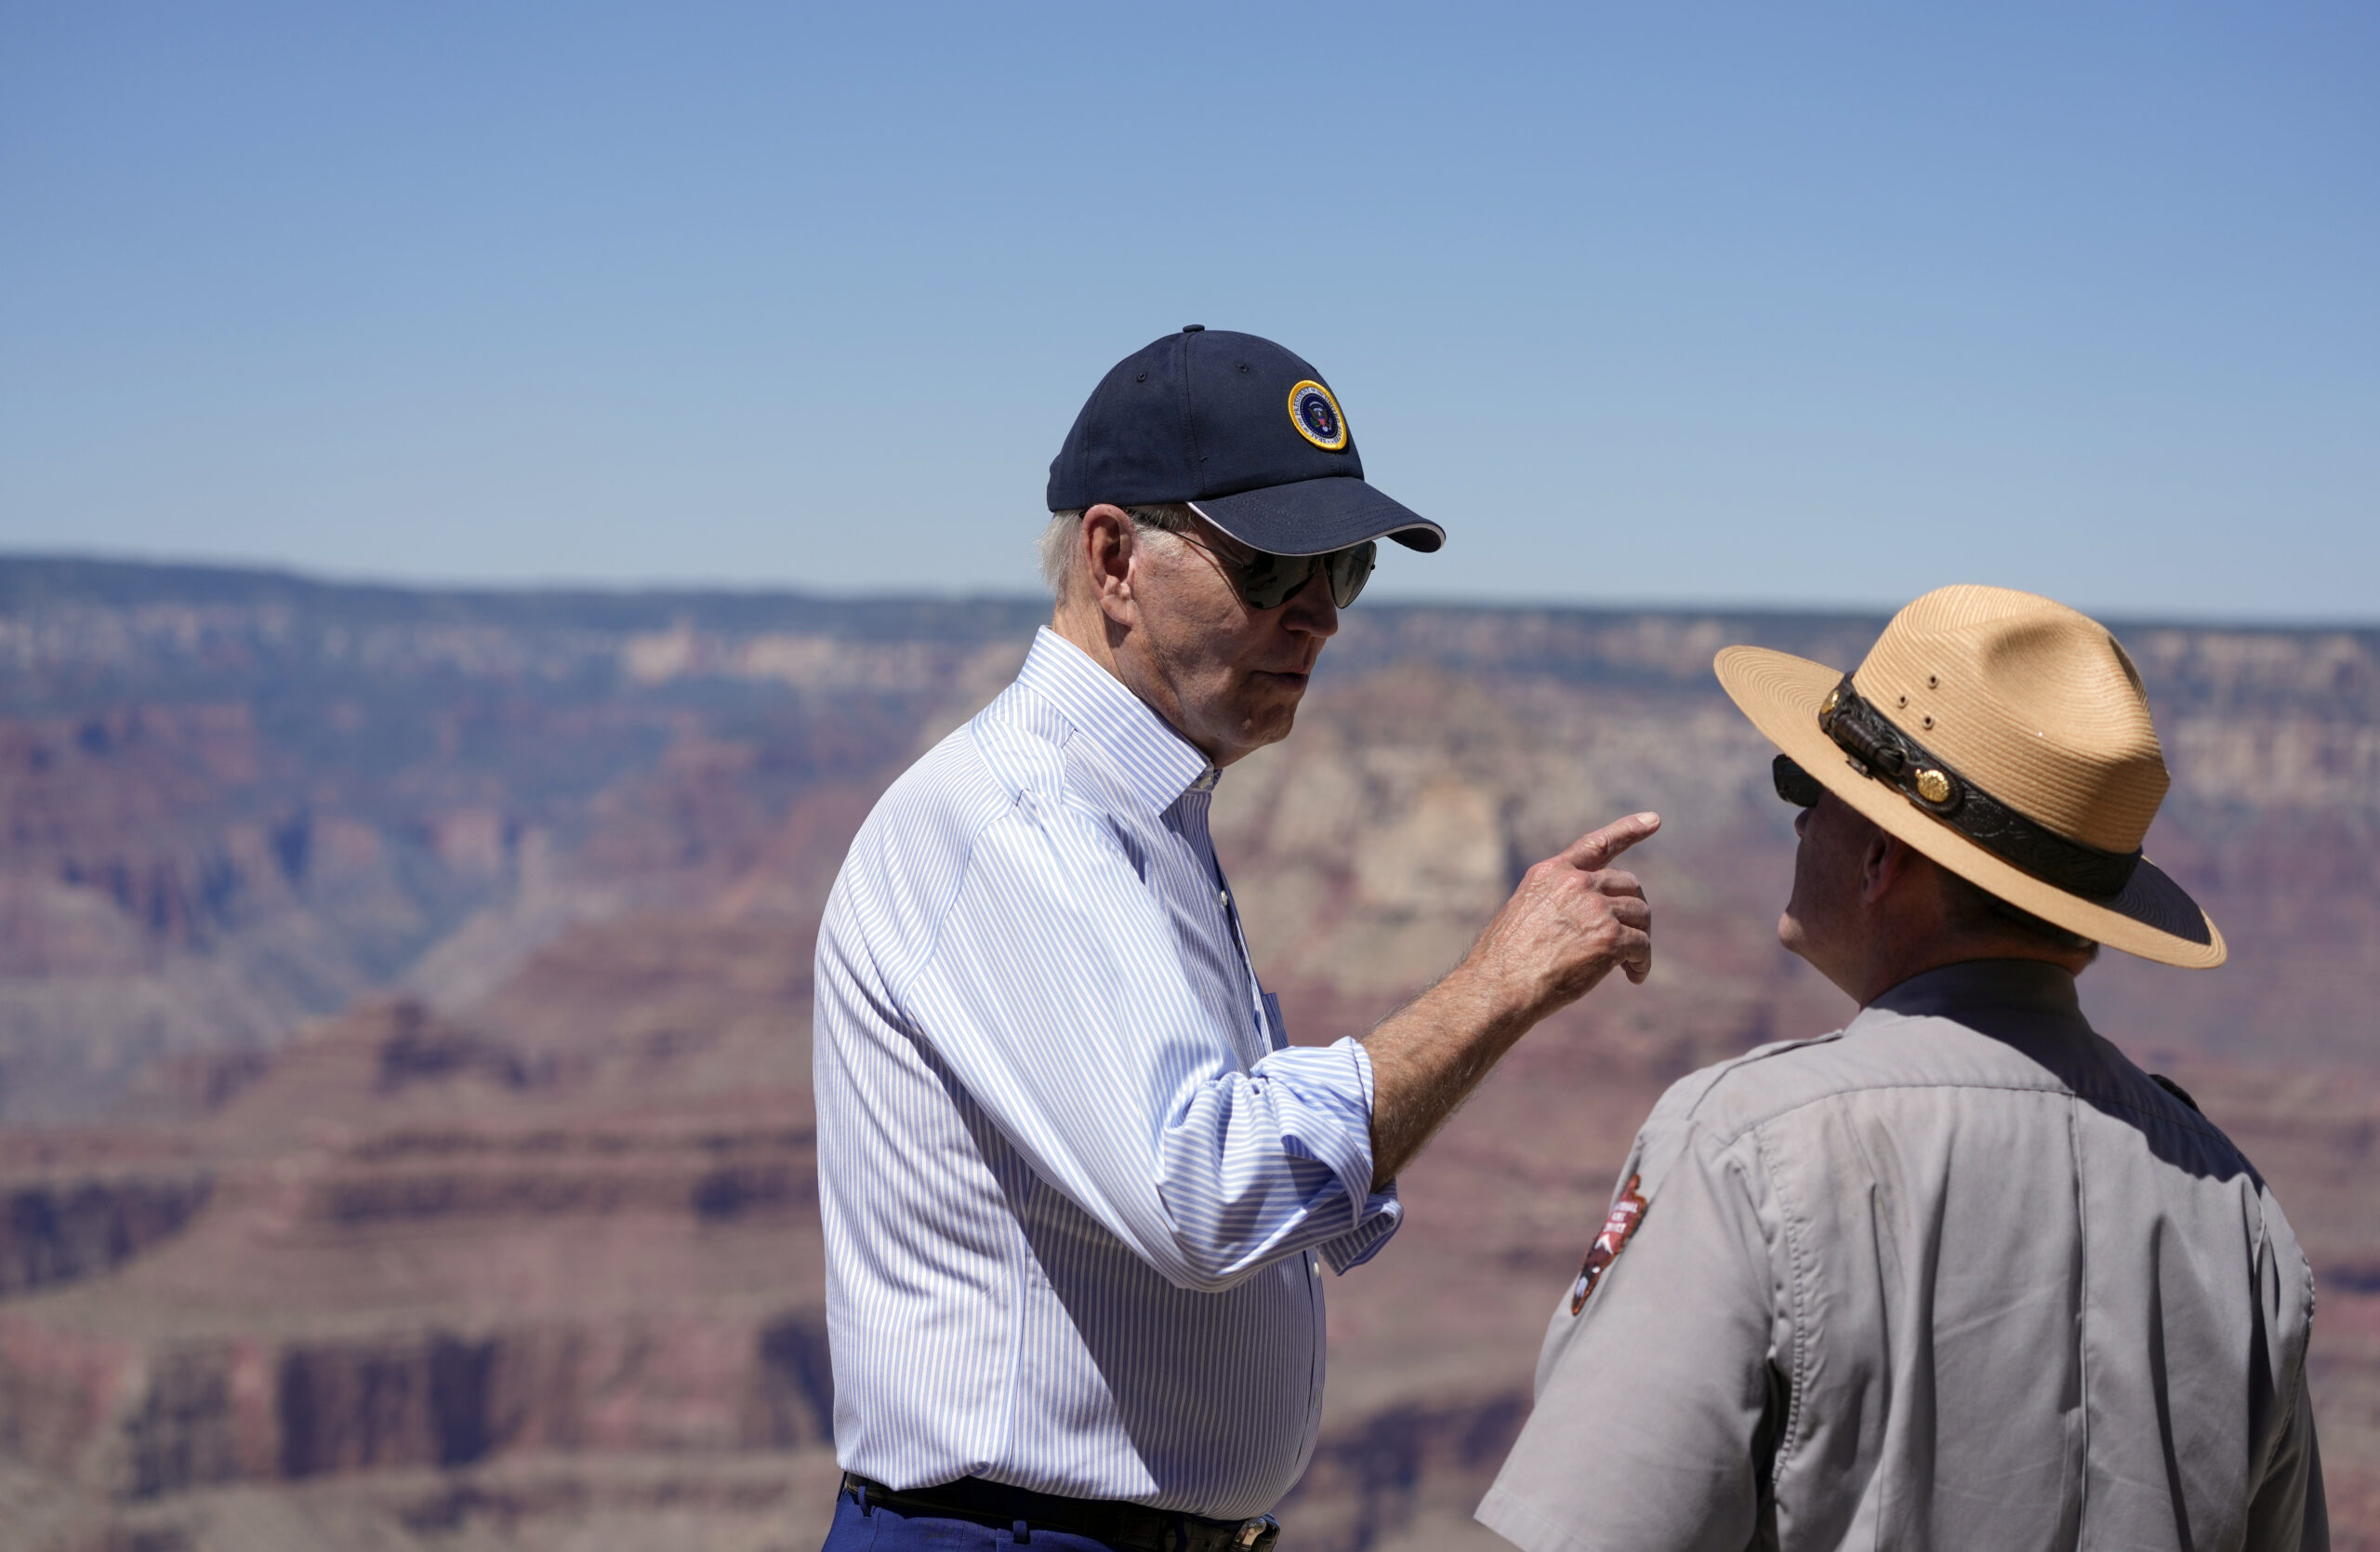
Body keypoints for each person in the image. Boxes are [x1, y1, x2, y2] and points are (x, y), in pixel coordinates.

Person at [813, 326, 1660, 1551]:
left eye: (1346, 568)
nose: (1319, 616)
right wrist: (1498, 981)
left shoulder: (1139, 815)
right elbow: (1210, 1194)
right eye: (1274, 567)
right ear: (1114, 557)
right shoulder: (1019, 824)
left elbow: (1280, 1204)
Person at [1478, 584, 2327, 1552]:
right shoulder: (2237, 1209)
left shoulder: (1748, 1143)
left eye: (1808, 788)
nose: (1795, 823)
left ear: (1882, 856)